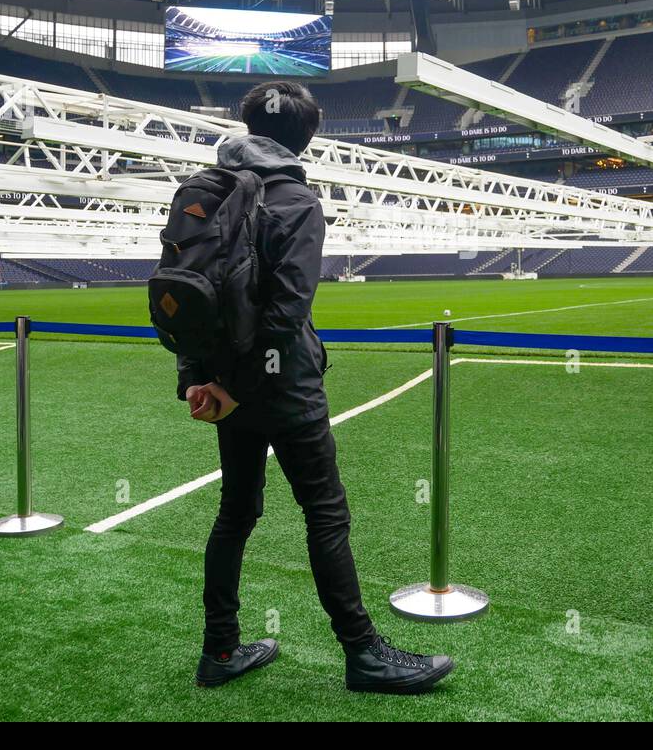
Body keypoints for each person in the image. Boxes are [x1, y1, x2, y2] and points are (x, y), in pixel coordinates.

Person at [177, 79, 454, 693]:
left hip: (226, 388)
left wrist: (204, 380)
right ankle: (363, 655)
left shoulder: (205, 189)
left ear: (245, 126)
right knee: (326, 517)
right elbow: (284, 314)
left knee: (235, 514)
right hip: (282, 387)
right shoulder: (296, 201)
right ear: (308, 137)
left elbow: (187, 293)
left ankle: (219, 651)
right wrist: (242, 387)